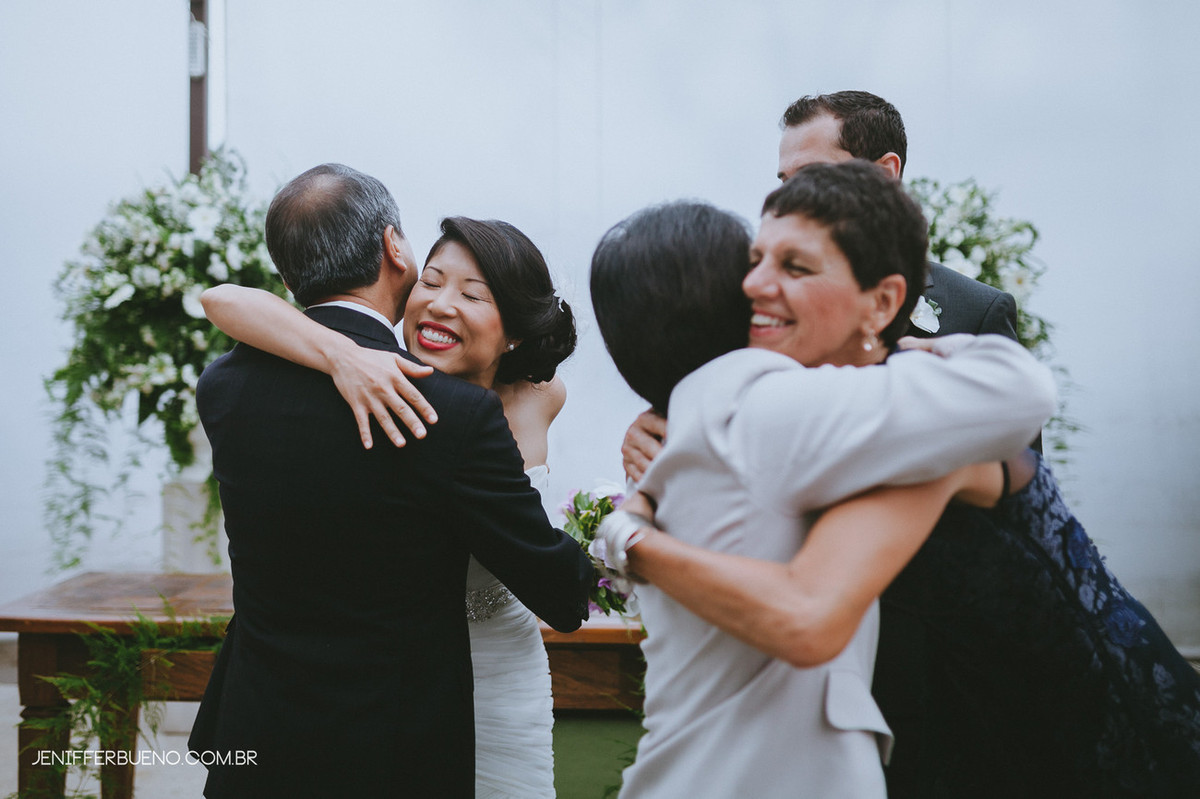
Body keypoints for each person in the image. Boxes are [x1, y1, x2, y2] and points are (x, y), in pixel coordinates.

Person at [596, 163, 1200, 796]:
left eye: (795, 268)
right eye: (754, 262)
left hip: (1066, 727)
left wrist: (632, 537)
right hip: (935, 715)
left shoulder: (926, 433)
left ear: (882, 302)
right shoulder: (809, 414)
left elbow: (808, 612)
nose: (753, 286)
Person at [188, 164, 591, 799]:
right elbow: (566, 596)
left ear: (289, 277)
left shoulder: (223, 387)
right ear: (394, 248)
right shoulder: (450, 418)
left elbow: (223, 300)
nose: (443, 301)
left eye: (473, 293)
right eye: (433, 280)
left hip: (259, 728)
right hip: (396, 744)